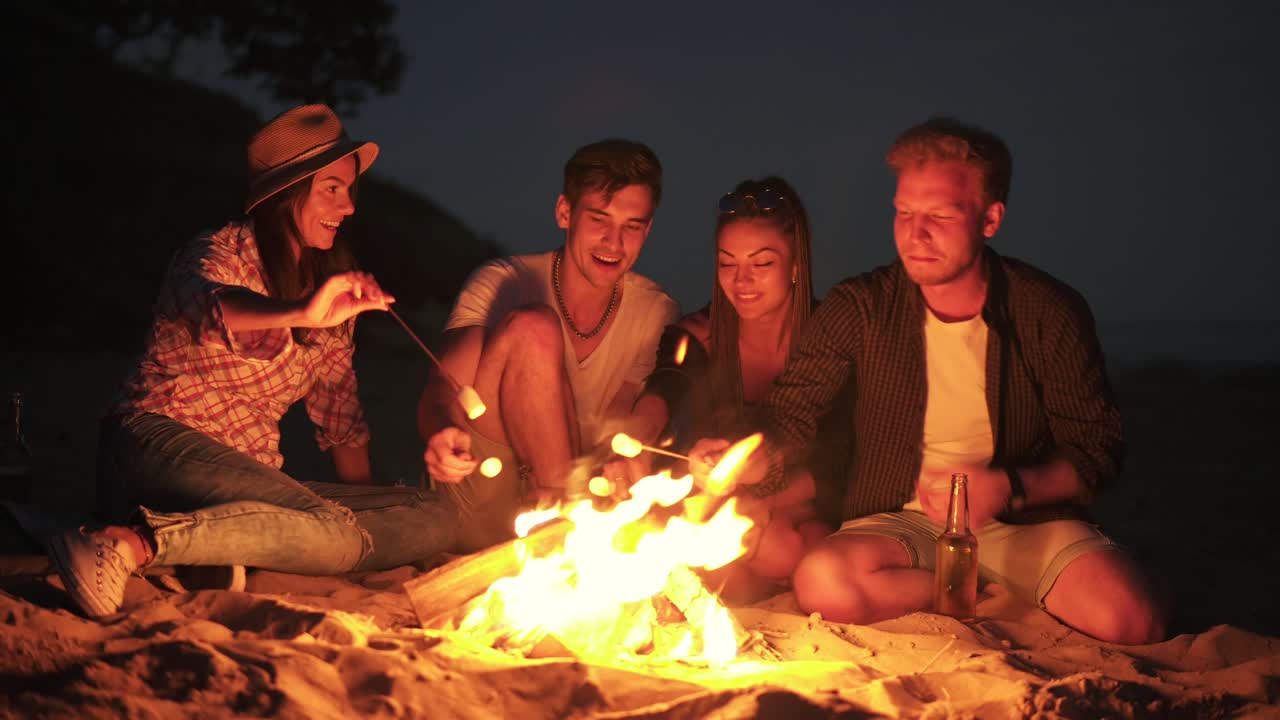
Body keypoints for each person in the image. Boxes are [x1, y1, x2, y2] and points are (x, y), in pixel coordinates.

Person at [704, 117, 1166, 644]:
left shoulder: (1047, 311)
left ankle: (1000, 588)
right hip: (901, 523)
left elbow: (1096, 450)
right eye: (903, 212)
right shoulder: (861, 306)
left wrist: (1009, 487)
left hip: (1020, 523)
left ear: (990, 218)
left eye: (939, 215)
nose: (914, 234)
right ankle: (970, 597)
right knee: (821, 581)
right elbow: (790, 413)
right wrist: (746, 454)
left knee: (1132, 619)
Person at [49, 104, 457, 619]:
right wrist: (302, 312)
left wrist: (367, 515)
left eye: (350, 190)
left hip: (255, 479)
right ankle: (127, 543)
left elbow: (341, 417)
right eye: (332, 188)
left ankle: (236, 548)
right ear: (287, 193)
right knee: (330, 531)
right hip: (153, 446)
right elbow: (214, 304)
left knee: (435, 514)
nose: (348, 206)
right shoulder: (214, 254)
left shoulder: (331, 280)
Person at [418, 139, 680, 552]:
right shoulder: (502, 281)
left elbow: (620, 422)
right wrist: (441, 432)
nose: (614, 242)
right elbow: (442, 389)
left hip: (579, 491)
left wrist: (622, 465)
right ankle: (563, 532)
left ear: (647, 230)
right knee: (534, 328)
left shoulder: (654, 311)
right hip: (481, 496)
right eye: (599, 219)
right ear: (564, 212)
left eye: (632, 226)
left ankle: (564, 519)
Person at [632, 177, 849, 597]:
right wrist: (636, 440)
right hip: (723, 507)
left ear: (796, 265)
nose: (742, 280)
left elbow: (839, 466)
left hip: (809, 504)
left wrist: (764, 502)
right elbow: (664, 390)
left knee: (779, 546)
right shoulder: (699, 335)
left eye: (762, 263)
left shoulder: (830, 338)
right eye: (727, 263)